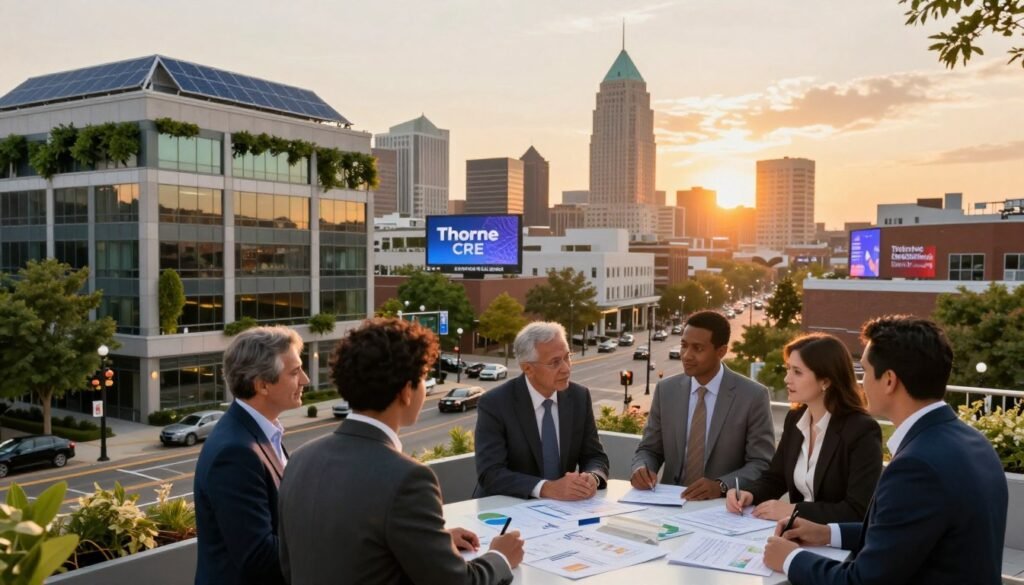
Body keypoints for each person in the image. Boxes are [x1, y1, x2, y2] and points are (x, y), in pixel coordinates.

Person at [764, 316, 1008, 584]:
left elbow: (861, 581)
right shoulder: (973, 441)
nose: (861, 382)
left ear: (889, 380)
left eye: (865, 372)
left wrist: (789, 559)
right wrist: (826, 533)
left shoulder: (917, 466)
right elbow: (902, 534)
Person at [279, 318, 524, 585]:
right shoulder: (407, 478)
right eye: (423, 377)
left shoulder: (301, 457)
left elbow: (300, 561)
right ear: (407, 391)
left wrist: (431, 542)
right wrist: (499, 556)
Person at [725, 333, 883, 523]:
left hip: (836, 543)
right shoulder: (795, 419)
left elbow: (858, 510)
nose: (787, 379)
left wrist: (793, 510)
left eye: (797, 372)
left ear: (826, 381)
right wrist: (749, 493)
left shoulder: (862, 430)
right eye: (788, 369)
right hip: (794, 534)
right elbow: (776, 478)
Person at [194, 326, 308, 585]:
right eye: (294, 372)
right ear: (262, 385)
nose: (305, 380)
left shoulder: (261, 433)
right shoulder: (235, 453)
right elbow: (259, 558)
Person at [630, 310, 774, 500]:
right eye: (684, 345)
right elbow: (649, 449)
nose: (686, 355)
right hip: (669, 501)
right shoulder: (666, 390)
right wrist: (642, 467)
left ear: (721, 351)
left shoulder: (753, 396)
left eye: (698, 348)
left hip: (721, 507)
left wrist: (721, 486)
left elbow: (761, 463)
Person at [474, 321, 610, 500]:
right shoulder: (495, 403)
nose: (566, 368)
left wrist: (591, 477)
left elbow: (594, 456)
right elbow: (490, 473)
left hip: (562, 509)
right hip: (505, 509)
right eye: (555, 362)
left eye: (567, 357)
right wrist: (546, 488)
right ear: (528, 369)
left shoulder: (579, 397)